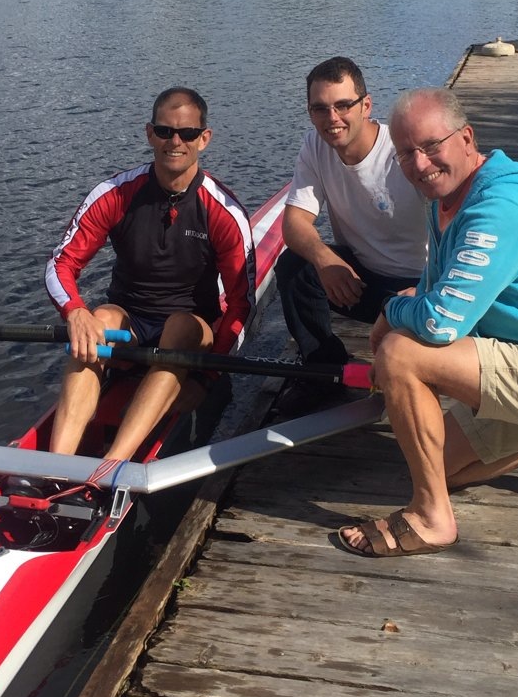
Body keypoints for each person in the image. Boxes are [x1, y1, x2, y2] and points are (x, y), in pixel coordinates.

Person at [338, 87, 518, 558]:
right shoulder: (447, 197)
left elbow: (437, 324)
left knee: (401, 353)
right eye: (406, 153)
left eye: (432, 145)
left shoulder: (500, 209)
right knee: (437, 466)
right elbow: (435, 292)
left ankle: (432, 519)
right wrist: (407, 307)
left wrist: (388, 314)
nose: (420, 163)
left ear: (467, 138)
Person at [45, 87, 254, 478]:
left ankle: (109, 471)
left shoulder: (223, 212)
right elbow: (61, 264)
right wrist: (74, 311)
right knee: (100, 318)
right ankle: (53, 470)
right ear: (149, 134)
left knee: (178, 327)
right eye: (164, 131)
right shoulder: (115, 194)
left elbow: (242, 305)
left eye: (188, 133)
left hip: (190, 333)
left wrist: (208, 377)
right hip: (131, 329)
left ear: (203, 139)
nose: (175, 142)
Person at [274, 57, 429, 416]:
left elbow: (456, 225)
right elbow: (295, 222)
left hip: (417, 287)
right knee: (295, 265)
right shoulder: (315, 146)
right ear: (310, 112)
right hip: (359, 282)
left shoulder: (405, 152)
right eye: (320, 109)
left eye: (343, 105)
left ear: (366, 105)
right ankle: (321, 369)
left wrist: (430, 291)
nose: (333, 119)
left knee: (410, 371)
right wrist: (325, 260)